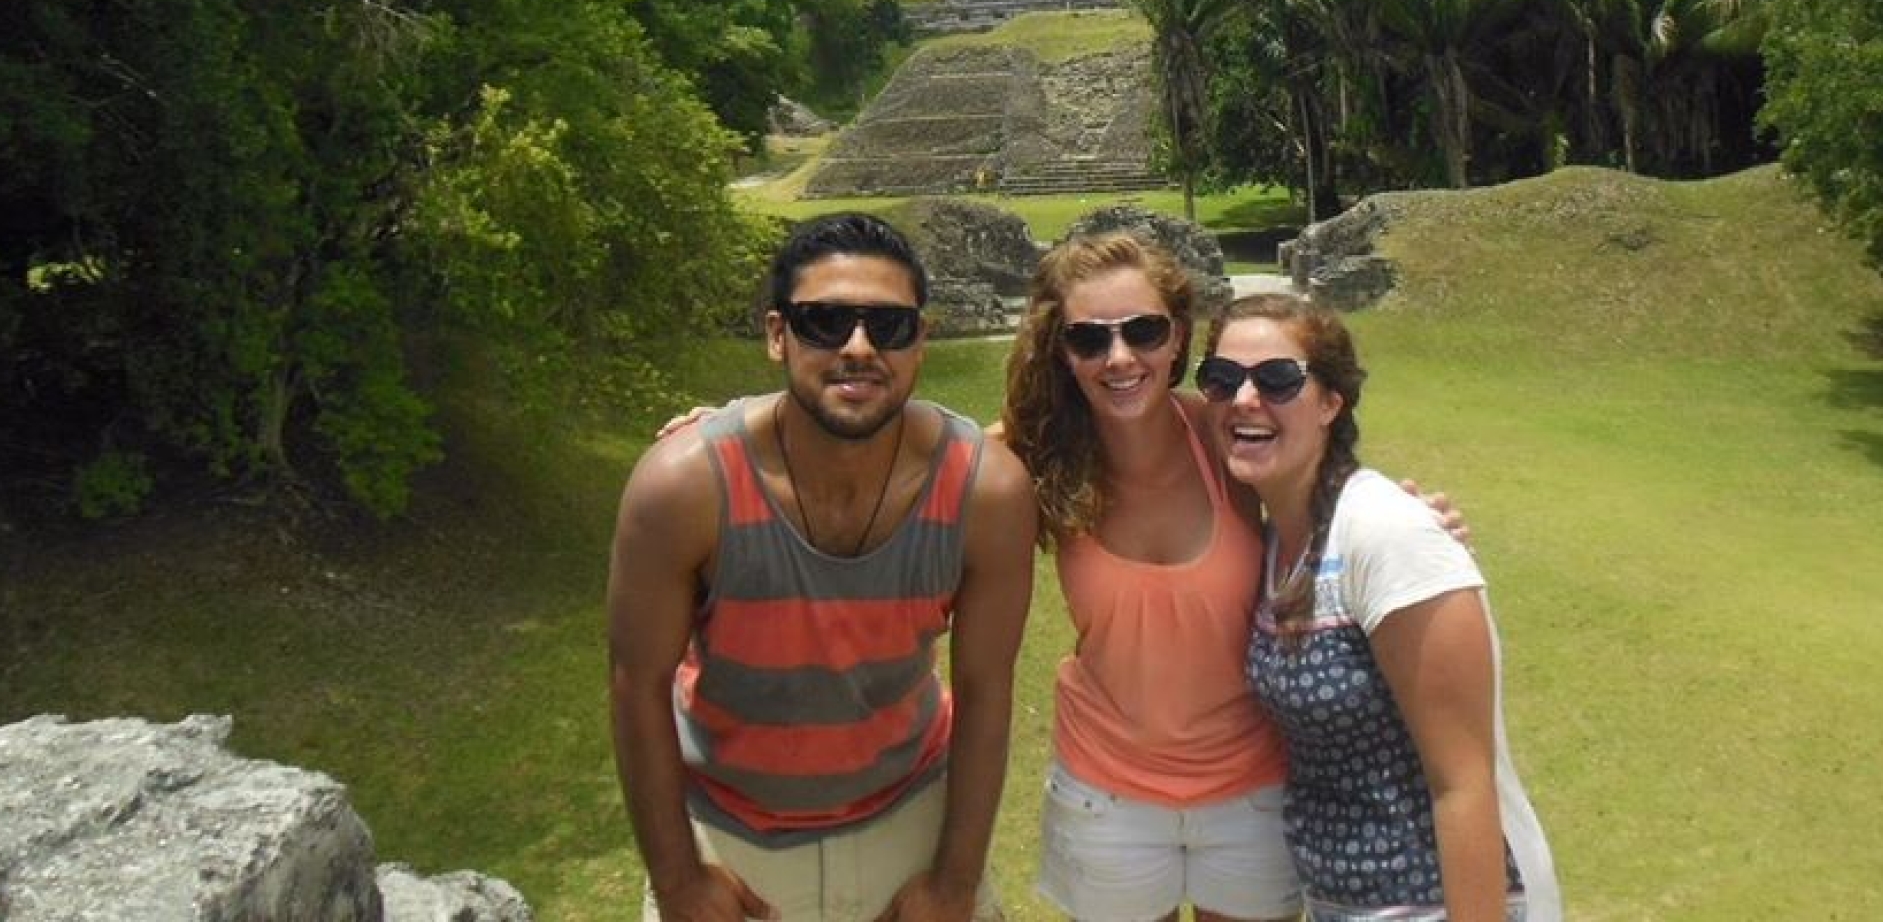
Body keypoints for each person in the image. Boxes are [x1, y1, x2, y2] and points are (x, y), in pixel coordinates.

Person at [998, 233, 1469, 922]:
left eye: (1143, 330)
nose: (1120, 356)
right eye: (1089, 339)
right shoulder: (1038, 454)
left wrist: (1413, 523)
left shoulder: (1227, 437)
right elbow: (926, 469)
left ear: (1178, 337)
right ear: (1060, 350)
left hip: (1250, 783)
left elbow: (1328, 498)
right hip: (1105, 791)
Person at [608, 212, 1039, 922]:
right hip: (729, 820)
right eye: (826, 322)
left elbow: (988, 689)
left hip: (910, 805)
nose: (860, 347)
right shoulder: (683, 488)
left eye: (890, 326)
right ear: (778, 334)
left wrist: (955, 883)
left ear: (921, 340)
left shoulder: (986, 492)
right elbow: (636, 685)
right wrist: (679, 881)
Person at [1197, 293, 1560, 922]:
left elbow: (1463, 784)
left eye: (1278, 379)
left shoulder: (1385, 534)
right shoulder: (1280, 535)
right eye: (1223, 380)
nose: (1245, 399)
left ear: (1331, 403)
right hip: (1339, 903)